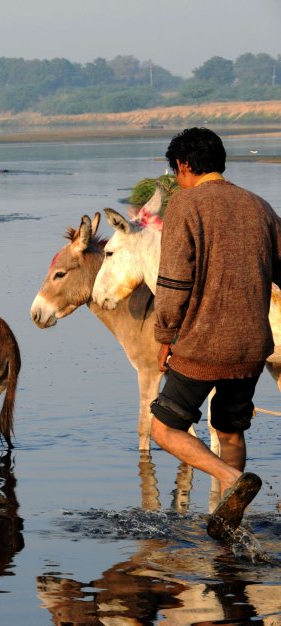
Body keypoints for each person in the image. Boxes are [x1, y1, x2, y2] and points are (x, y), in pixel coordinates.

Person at [150, 127, 281, 540]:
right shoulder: (259, 206)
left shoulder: (185, 205)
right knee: (229, 430)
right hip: (251, 348)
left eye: (176, 172)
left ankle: (229, 479)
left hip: (202, 344)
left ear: (185, 166)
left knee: (163, 428)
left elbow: (173, 283)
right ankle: (231, 523)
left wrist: (164, 335)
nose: (177, 180)